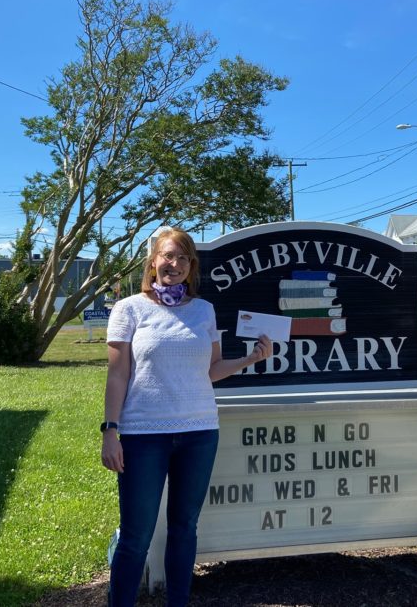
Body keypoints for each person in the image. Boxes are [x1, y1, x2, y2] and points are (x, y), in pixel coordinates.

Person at [101, 227, 271, 607]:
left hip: (199, 432)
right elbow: (117, 375)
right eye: (167, 255)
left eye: (182, 258)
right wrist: (110, 431)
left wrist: (250, 359)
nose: (174, 264)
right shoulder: (129, 309)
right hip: (143, 435)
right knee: (136, 536)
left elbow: (210, 370)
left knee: (184, 528)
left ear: (191, 266)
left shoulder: (203, 310)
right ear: (153, 262)